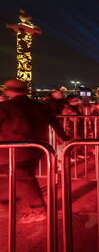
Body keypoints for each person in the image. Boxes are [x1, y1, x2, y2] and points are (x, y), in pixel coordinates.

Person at [0, 79, 68, 223]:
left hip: (13, 150)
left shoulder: (5, 107)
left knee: (24, 179)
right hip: (36, 148)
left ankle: (39, 210)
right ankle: (7, 202)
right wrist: (64, 137)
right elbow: (53, 119)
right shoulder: (37, 105)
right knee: (26, 178)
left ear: (8, 91)